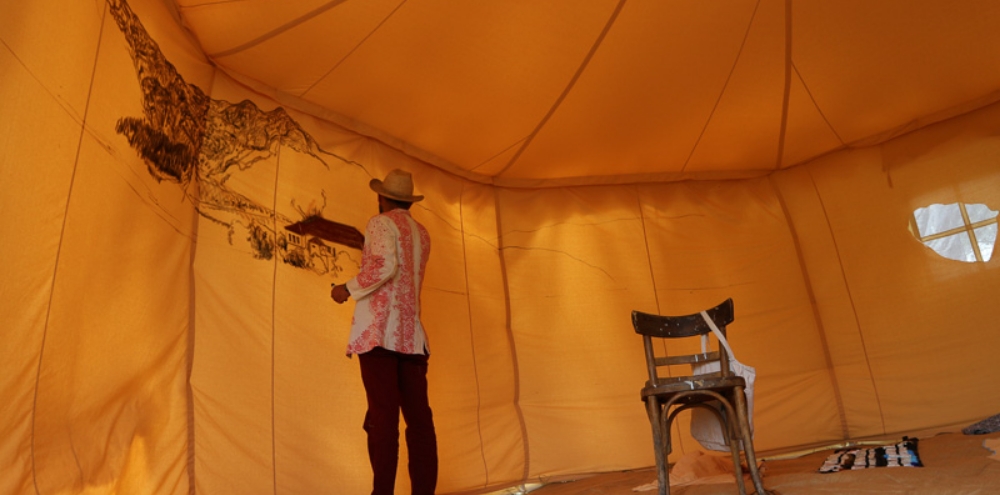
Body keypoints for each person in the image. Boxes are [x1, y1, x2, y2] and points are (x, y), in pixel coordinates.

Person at [331, 169, 437, 495]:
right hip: (412, 339)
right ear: (409, 201)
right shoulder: (423, 233)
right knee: (419, 424)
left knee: (382, 421)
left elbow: (384, 265)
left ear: (382, 197)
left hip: (379, 336)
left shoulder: (380, 223)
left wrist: (346, 288)